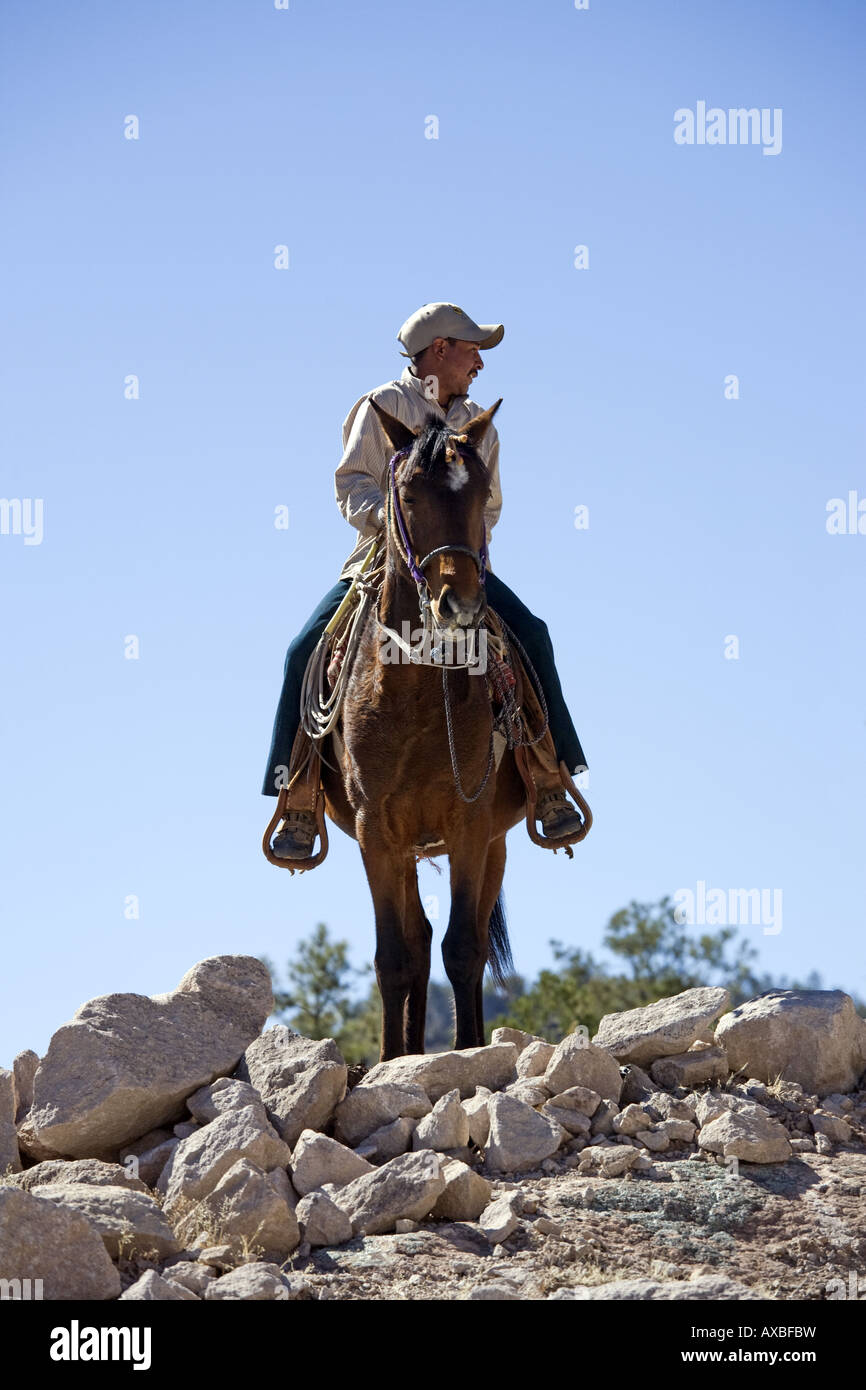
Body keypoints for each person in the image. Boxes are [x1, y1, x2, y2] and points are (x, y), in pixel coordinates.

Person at [262, 302, 588, 858]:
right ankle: (300, 794)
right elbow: (352, 485)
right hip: (381, 561)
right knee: (303, 650)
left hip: (461, 567)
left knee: (532, 633)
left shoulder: (478, 423)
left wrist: (460, 549)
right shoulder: (382, 406)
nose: (480, 364)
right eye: (473, 350)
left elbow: (490, 507)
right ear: (440, 349)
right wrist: (402, 527)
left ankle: (549, 779)